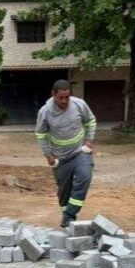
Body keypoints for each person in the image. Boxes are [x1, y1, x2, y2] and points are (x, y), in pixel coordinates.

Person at [35, 79, 97, 228]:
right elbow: (41, 134)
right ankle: (67, 218)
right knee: (64, 191)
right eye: (60, 97)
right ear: (53, 95)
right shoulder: (45, 112)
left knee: (84, 177)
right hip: (60, 157)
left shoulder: (79, 105)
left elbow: (91, 121)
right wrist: (48, 155)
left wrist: (89, 141)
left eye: (67, 97)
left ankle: (69, 215)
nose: (64, 101)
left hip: (80, 152)